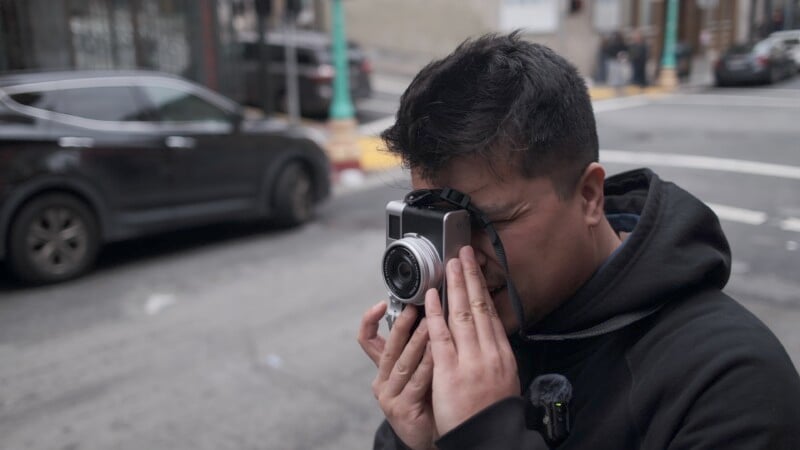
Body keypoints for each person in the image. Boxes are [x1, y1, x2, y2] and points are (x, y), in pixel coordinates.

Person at [357, 32, 800, 450]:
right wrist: (419, 439)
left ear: (589, 196)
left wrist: (488, 435)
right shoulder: (464, 335)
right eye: (441, 222)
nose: (460, 260)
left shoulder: (732, 382)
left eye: (490, 221)